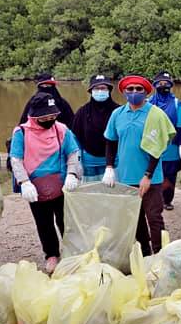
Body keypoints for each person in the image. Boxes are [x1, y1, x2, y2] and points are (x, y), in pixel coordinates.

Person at [102, 75, 176, 256]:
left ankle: (159, 254)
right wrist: (109, 167)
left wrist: (148, 175)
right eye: (130, 89)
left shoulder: (156, 114)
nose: (134, 92)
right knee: (135, 218)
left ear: (146, 92)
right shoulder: (117, 114)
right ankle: (144, 251)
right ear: (124, 92)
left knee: (154, 217)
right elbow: (111, 142)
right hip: (126, 176)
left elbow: (157, 147)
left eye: (138, 89)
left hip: (151, 178)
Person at [10, 92, 82, 274]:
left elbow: (73, 152)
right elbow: (16, 159)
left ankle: (71, 252)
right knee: (44, 222)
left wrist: (72, 174)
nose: (49, 119)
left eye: (52, 116)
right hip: (35, 186)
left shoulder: (61, 130)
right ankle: (51, 254)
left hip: (61, 183)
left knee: (66, 220)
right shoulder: (21, 132)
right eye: (45, 116)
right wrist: (24, 182)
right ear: (34, 115)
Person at [148, 71, 181, 211]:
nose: (163, 86)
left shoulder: (177, 104)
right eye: (160, 83)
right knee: (152, 173)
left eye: (166, 84)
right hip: (152, 146)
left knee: (170, 175)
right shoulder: (148, 103)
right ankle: (154, 199)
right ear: (155, 85)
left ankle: (167, 200)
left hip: (171, 148)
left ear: (171, 86)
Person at [71, 74, 119, 182]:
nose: (100, 91)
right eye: (96, 88)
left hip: (114, 163)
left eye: (103, 88)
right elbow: (74, 139)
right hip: (89, 163)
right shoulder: (82, 112)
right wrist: (76, 164)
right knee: (92, 194)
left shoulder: (118, 111)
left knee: (112, 193)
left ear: (109, 90)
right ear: (91, 91)